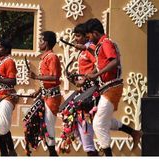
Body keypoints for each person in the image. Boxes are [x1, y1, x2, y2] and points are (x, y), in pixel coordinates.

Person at [83, 18, 142, 156]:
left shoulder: (106, 43)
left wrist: (97, 73)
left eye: (89, 36)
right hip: (108, 88)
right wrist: (89, 75)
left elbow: (115, 61)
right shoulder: (101, 45)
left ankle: (108, 157)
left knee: (98, 123)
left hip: (112, 88)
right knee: (105, 121)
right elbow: (101, 66)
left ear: (95, 33)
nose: (89, 40)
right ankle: (134, 132)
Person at [29, 31, 62, 156]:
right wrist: (38, 91)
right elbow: (47, 80)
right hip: (46, 95)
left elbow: (54, 77)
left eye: (41, 40)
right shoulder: (45, 57)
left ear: (47, 43)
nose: (39, 43)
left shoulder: (51, 57)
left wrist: (36, 77)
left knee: (49, 125)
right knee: (45, 125)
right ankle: (52, 153)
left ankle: (53, 154)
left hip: (52, 97)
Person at [68, 23, 98, 156]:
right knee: (76, 120)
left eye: (78, 36)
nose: (76, 39)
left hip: (92, 90)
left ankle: (91, 150)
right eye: (75, 36)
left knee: (86, 120)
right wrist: (75, 79)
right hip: (85, 90)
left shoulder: (90, 48)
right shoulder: (83, 51)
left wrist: (85, 79)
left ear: (87, 36)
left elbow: (99, 65)